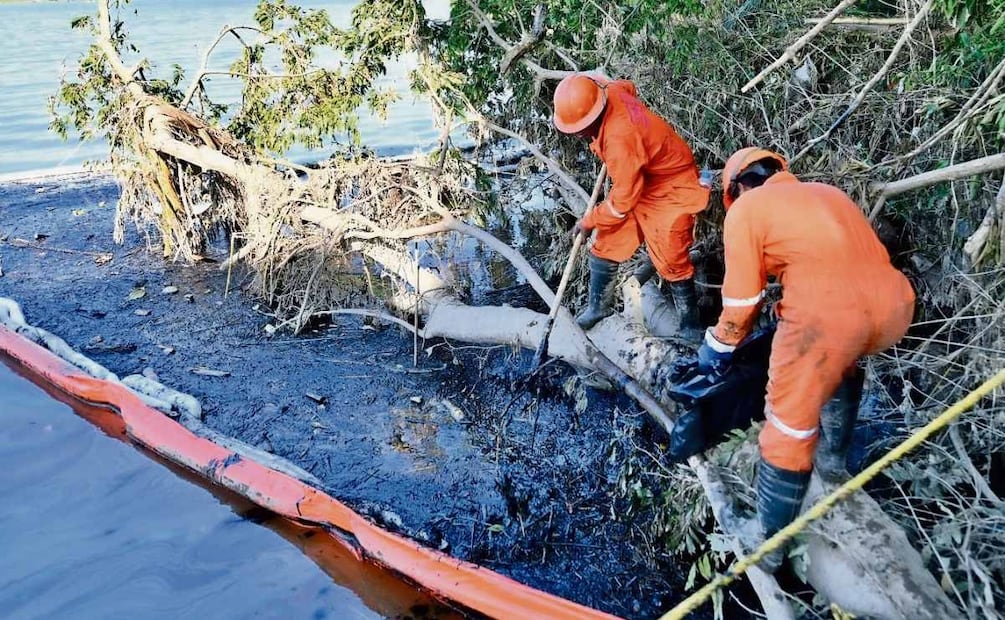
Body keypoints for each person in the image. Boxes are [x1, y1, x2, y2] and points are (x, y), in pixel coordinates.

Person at [696, 146, 916, 572]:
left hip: (827, 319)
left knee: (787, 426)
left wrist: (716, 349)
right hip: (894, 307)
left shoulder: (746, 210)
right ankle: (833, 466)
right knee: (843, 365)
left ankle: (769, 546)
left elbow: (742, 301)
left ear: (739, 187)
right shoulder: (828, 193)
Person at [552, 73, 710, 338]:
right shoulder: (608, 89)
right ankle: (598, 308)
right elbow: (628, 86)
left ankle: (690, 327)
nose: (579, 136)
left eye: (579, 131)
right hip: (642, 176)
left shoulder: (619, 140)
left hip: (671, 184)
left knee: (671, 259)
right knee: (607, 244)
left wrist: (589, 220)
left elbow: (622, 202)